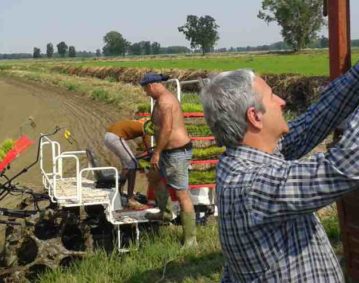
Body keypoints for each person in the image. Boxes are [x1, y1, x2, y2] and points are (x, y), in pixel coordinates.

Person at [200, 64, 359, 282]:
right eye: (272, 96)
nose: (281, 102)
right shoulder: (249, 185)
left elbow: (312, 123)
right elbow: (341, 168)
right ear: (255, 116)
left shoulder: (244, 160)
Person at [140, 72, 197, 247]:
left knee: (181, 194)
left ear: (151, 86)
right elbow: (158, 126)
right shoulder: (160, 100)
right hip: (166, 151)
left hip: (176, 152)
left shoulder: (165, 102)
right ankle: (164, 212)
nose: (146, 93)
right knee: (154, 177)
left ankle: (190, 239)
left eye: (145, 89)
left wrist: (156, 152)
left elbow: (167, 129)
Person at [104, 119, 149, 210]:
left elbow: (143, 144)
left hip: (108, 136)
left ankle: (119, 192)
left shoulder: (138, 124)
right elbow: (148, 145)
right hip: (115, 137)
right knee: (133, 164)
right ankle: (130, 199)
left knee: (127, 164)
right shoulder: (148, 127)